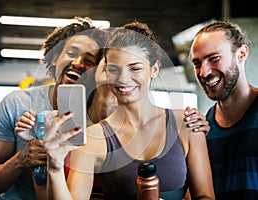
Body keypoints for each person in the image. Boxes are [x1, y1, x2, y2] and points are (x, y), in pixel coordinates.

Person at [42, 22, 215, 200]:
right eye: (114, 69)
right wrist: (54, 166)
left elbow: (205, 196)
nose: (123, 79)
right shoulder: (93, 140)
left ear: (154, 69)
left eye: (135, 68)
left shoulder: (186, 124)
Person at [0, 17, 107, 200]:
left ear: (97, 70)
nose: (78, 63)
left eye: (89, 60)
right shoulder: (17, 104)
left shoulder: (100, 114)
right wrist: (22, 159)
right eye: (72, 53)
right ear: (55, 58)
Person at [189, 20, 258, 199]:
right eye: (197, 63)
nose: (204, 72)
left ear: (241, 54)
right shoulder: (202, 130)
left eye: (214, 59)